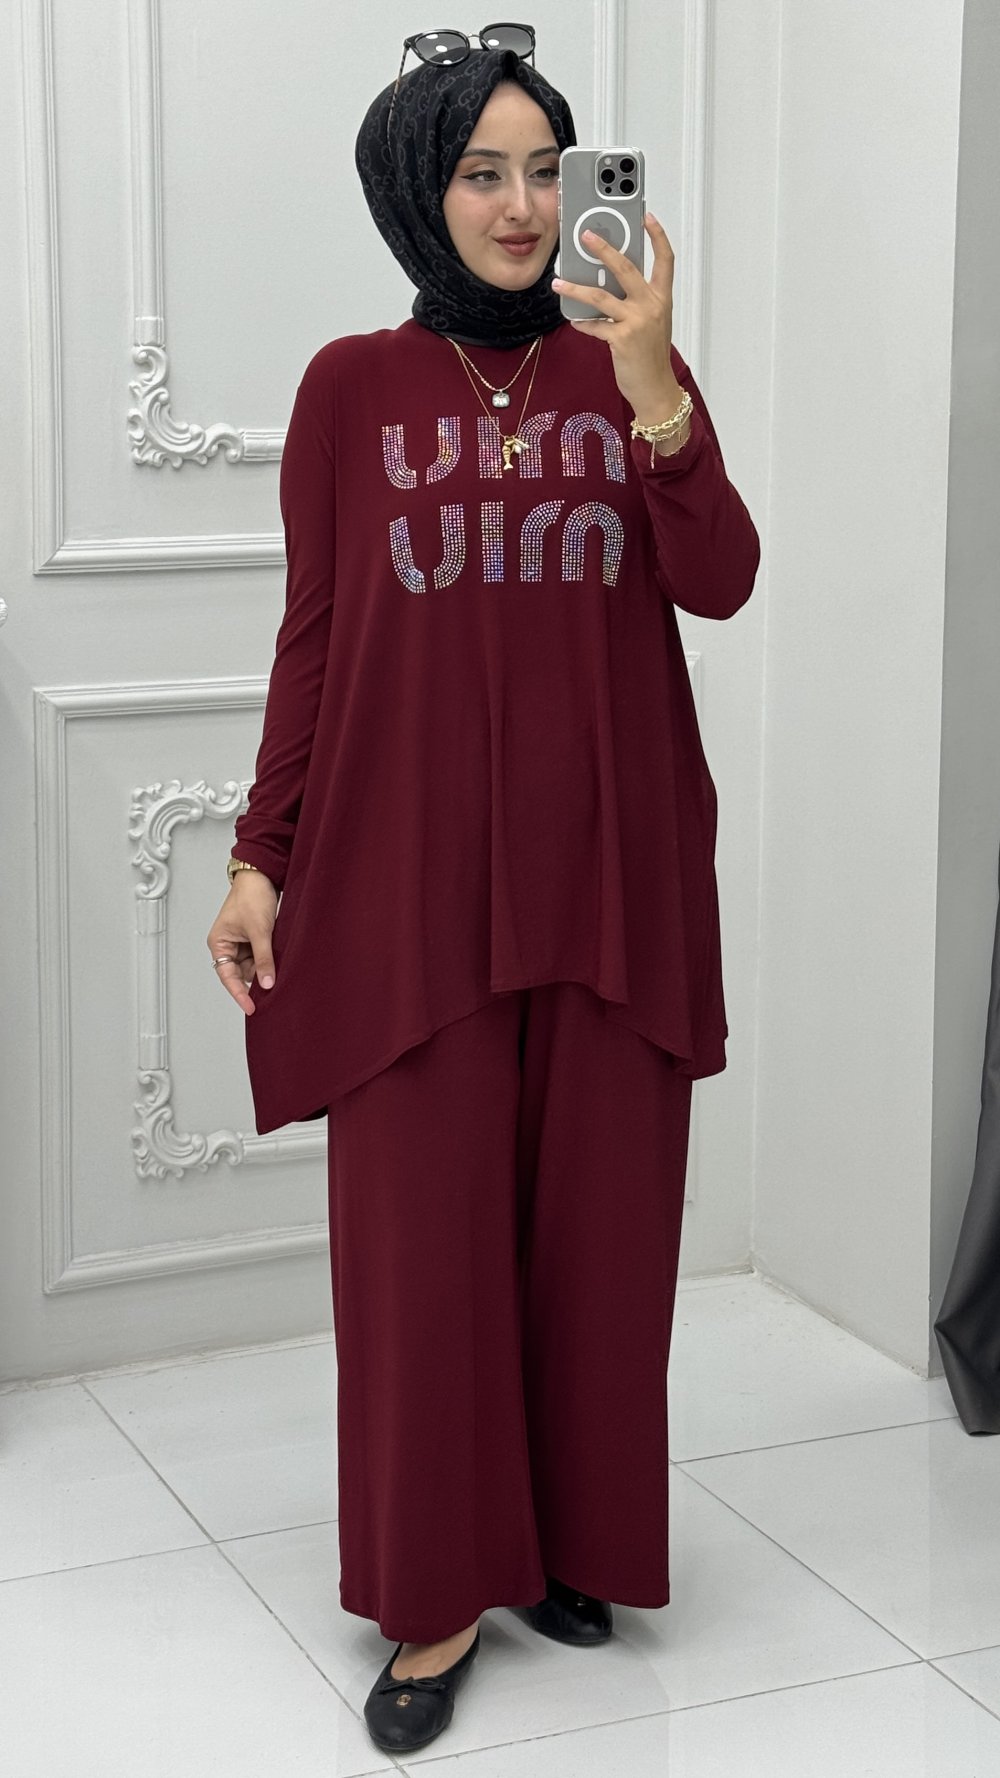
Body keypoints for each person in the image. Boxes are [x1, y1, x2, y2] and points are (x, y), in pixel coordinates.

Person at [206, 27, 759, 1758]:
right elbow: (315, 638)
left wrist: (657, 387)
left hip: (611, 868)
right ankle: (439, 1590)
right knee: (423, 1250)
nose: (520, 207)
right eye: (479, 171)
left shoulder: (626, 368)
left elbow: (724, 579)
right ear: (414, 187)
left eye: (544, 168)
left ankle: (575, 1544)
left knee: (602, 1231)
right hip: (405, 879)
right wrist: (260, 852)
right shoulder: (350, 390)